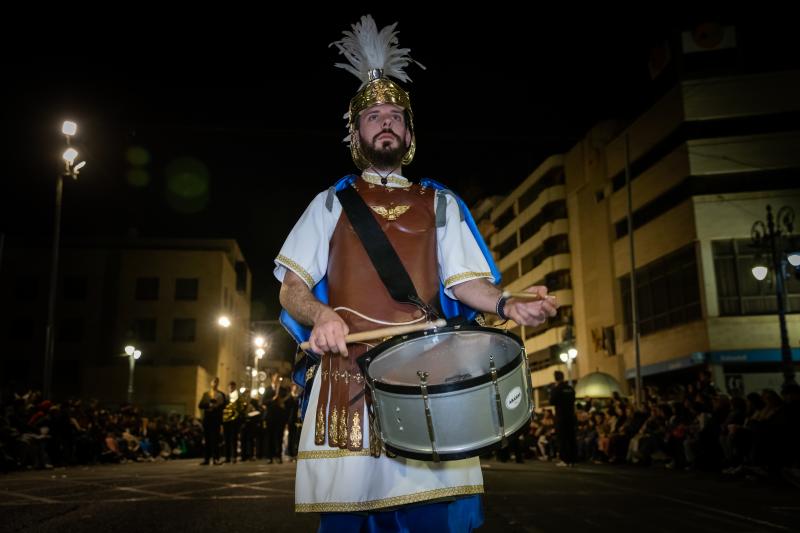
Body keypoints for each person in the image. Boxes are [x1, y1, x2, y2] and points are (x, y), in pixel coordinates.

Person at [275, 15, 558, 532]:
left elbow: (464, 283)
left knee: (431, 516)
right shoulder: (329, 203)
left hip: (427, 372)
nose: (385, 123)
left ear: (408, 132)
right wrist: (323, 316)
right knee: (348, 520)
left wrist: (508, 303)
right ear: (356, 132)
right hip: (346, 376)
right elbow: (292, 289)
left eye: (395, 116)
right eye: (373, 116)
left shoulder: (440, 201)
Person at [549, 370, 577, 466]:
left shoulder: (556, 389)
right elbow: (573, 400)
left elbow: (552, 401)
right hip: (571, 416)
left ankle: (564, 460)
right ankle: (573, 460)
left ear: (555, 378)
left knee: (562, 439)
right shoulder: (570, 388)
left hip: (561, 417)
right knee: (571, 438)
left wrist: (553, 390)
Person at [198, 377, 226, 466]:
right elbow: (200, 405)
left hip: (216, 419)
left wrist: (217, 406)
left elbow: (224, 406)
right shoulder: (206, 394)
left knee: (215, 440)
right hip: (207, 419)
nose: (215, 384)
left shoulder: (221, 394)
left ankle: (216, 458)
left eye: (216, 382)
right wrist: (209, 405)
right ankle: (206, 459)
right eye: (214, 382)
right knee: (207, 439)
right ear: (211, 383)